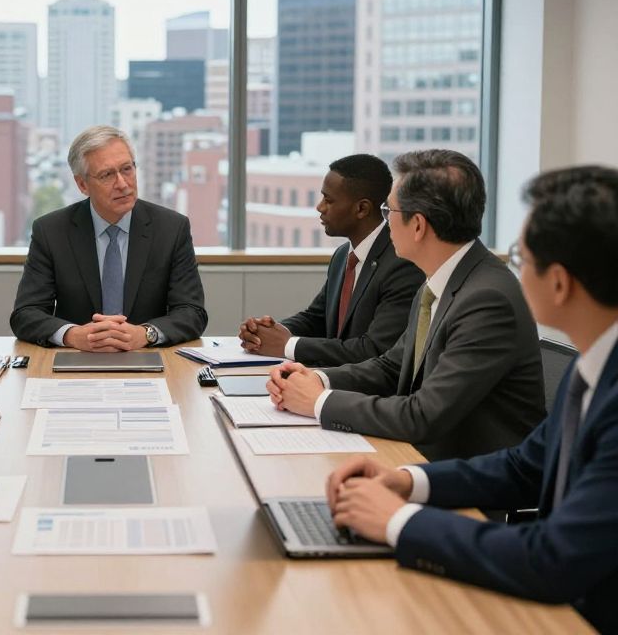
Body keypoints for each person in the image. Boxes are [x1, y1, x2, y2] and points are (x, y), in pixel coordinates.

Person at [325, 165, 618, 633]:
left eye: (521, 255)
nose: (511, 266)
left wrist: (399, 522)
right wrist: (407, 481)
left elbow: (554, 559)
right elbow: (524, 467)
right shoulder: (595, 366)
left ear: (559, 283)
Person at [269, 150, 545, 461]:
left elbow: (423, 415)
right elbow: (392, 366)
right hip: (424, 459)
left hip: (473, 483)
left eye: (389, 211)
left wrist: (319, 402)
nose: (384, 224)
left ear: (418, 226)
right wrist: (318, 379)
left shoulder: (487, 300)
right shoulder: (440, 281)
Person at [10, 125, 207, 350]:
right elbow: (26, 314)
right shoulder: (51, 231)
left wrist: (146, 334)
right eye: (107, 175)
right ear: (82, 184)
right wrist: (73, 335)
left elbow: (192, 312)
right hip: (78, 358)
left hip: (149, 359)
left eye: (127, 169)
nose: (122, 184)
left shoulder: (171, 229)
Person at [239, 154, 423, 365]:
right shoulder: (343, 255)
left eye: (329, 200)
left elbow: (375, 350)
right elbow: (316, 318)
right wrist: (265, 333)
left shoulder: (401, 263)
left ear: (361, 209)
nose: (320, 207)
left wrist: (287, 345)